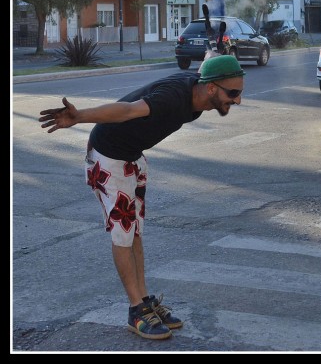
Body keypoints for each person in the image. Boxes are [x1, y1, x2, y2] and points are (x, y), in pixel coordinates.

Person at [38, 54, 246, 340]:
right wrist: (80, 116)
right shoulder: (173, 98)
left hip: (131, 158)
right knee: (123, 235)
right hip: (108, 159)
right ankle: (135, 309)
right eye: (232, 93)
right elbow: (126, 110)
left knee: (134, 233)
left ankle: (145, 300)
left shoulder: (198, 95)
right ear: (211, 88)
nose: (236, 101)